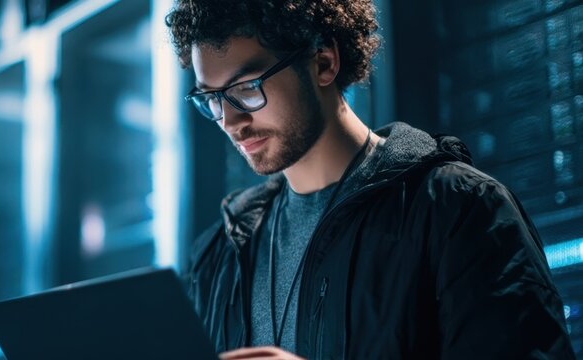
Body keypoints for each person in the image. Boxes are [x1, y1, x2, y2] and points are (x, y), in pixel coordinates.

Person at [165, 0, 575, 358]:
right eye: (212, 98)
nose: (230, 121)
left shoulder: (458, 210)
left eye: (248, 88)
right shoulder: (219, 255)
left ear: (324, 62)